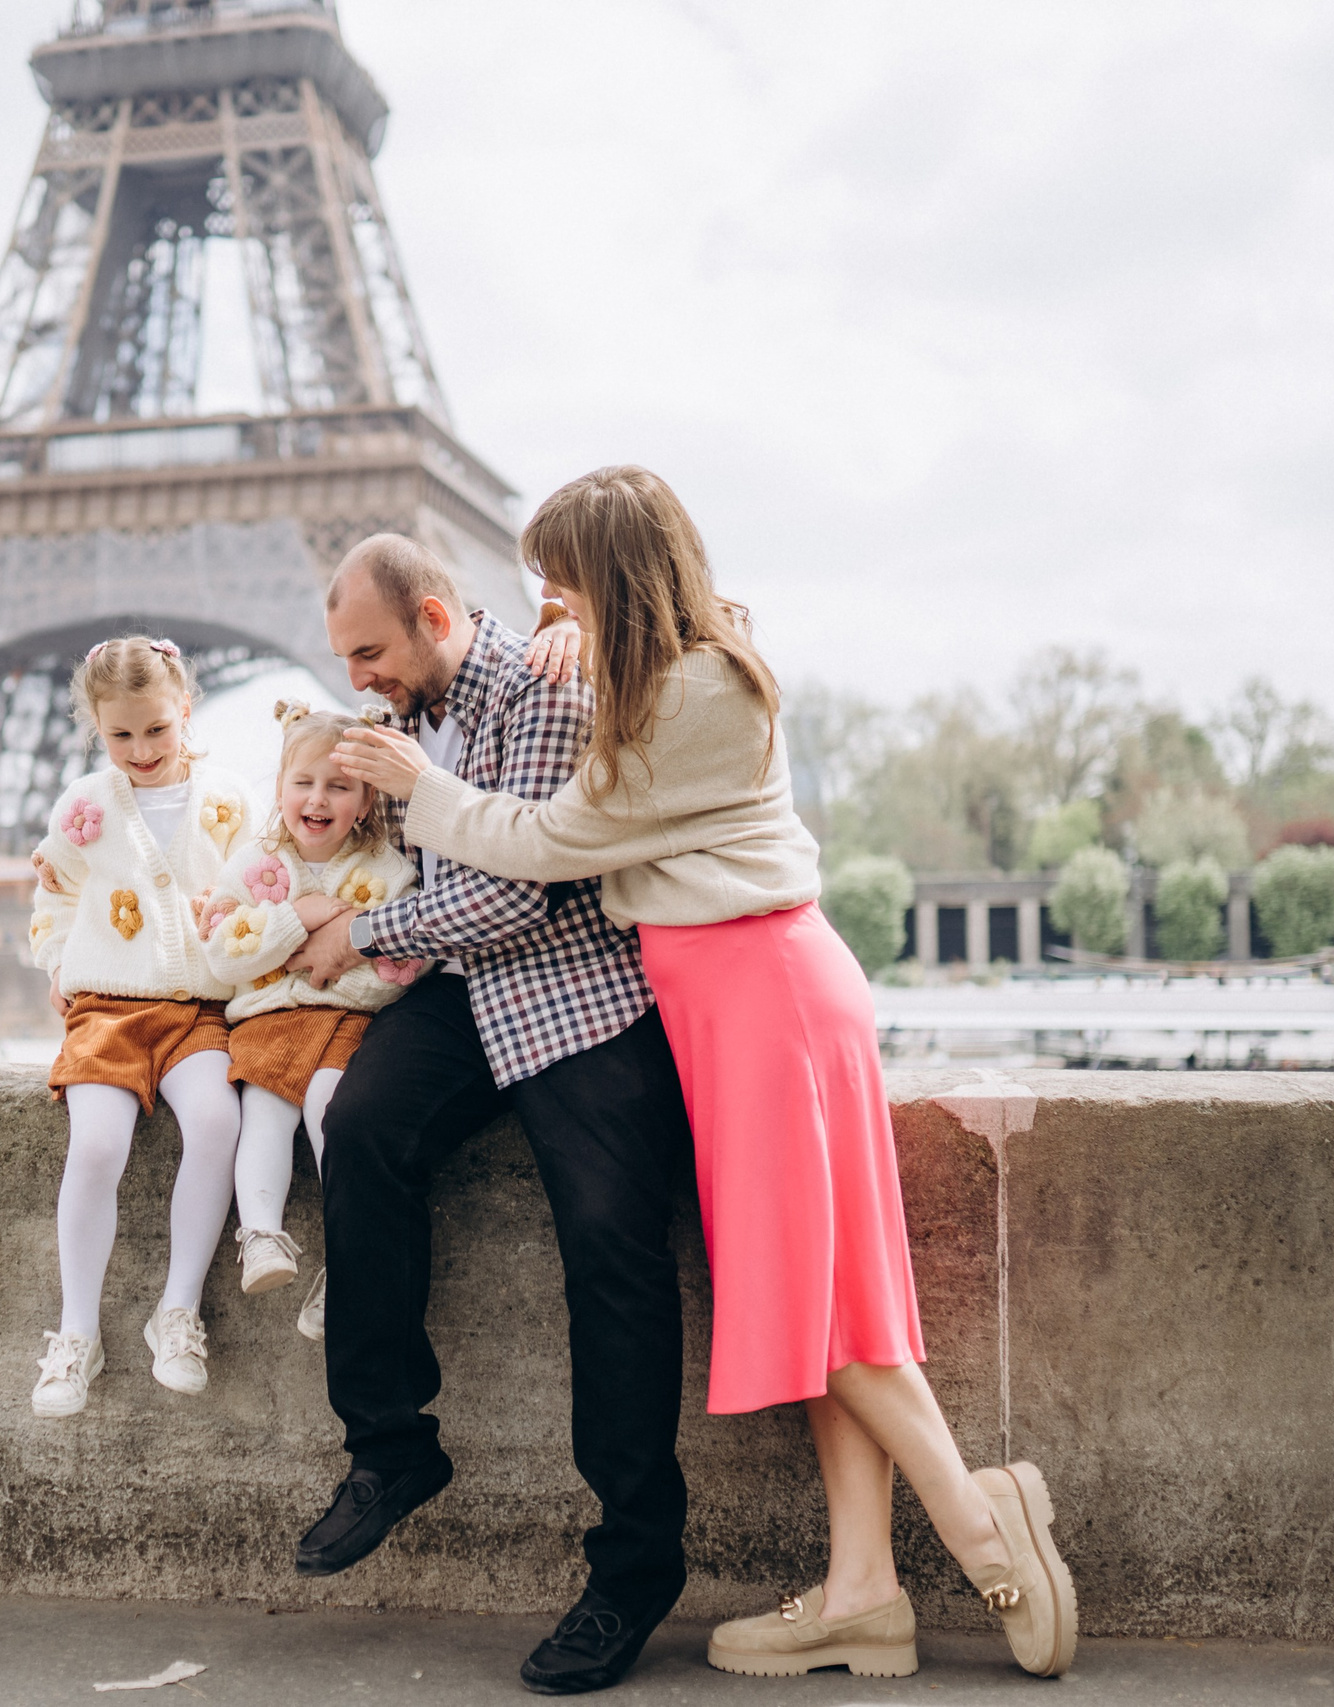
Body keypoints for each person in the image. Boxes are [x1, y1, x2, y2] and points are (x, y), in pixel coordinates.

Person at [335, 467, 1079, 1683]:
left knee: (817, 1308)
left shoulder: (689, 696)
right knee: (829, 1298)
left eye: (559, 585)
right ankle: (861, 1590)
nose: (544, 606)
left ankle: (978, 1519)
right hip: (730, 994)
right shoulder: (680, 663)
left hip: (756, 995)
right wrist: (572, 634)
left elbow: (551, 842)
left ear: (612, 581)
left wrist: (420, 791)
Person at [285, 533, 699, 1697]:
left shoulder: (547, 686)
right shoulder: (403, 707)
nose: (355, 675)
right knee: (358, 1133)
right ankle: (390, 1447)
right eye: (344, 658)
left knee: (613, 1262)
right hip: (466, 991)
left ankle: (632, 1566)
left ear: (432, 615)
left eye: (368, 650)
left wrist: (361, 934)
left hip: (575, 995)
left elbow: (515, 893)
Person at [23, 636, 254, 1417]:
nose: (142, 749)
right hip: (108, 1007)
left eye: (157, 729)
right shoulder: (83, 807)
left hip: (199, 1009)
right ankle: (76, 1331)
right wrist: (57, 961)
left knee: (218, 1121)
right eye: (121, 735)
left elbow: (263, 887)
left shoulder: (229, 800)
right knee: (94, 1144)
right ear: (95, 726)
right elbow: (53, 895)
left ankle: (177, 1307)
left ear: (185, 709)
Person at [196, 701, 426, 1332]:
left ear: (365, 799)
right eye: (303, 782)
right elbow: (220, 946)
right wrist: (306, 914)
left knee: (333, 1110)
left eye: (338, 785)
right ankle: (262, 1232)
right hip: (271, 1023)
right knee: (264, 1115)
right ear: (279, 789)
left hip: (347, 1023)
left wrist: (326, 962)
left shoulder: (387, 870)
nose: (318, 798)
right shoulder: (251, 863)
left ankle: (347, 1260)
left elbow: (402, 964)